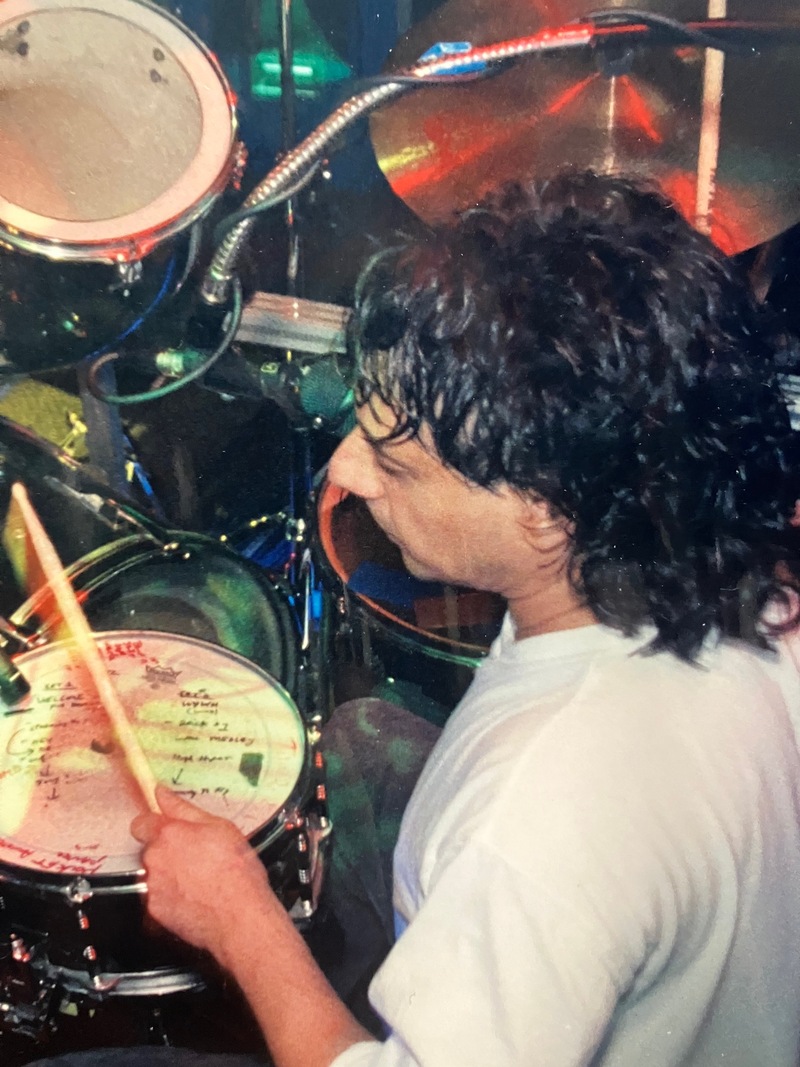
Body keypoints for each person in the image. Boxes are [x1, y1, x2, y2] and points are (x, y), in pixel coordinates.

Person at [29, 169, 800, 1067]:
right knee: (359, 736)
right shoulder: (750, 586)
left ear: (545, 511)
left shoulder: (540, 822)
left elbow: (537, 841)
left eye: (395, 463)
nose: (346, 470)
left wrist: (242, 918)